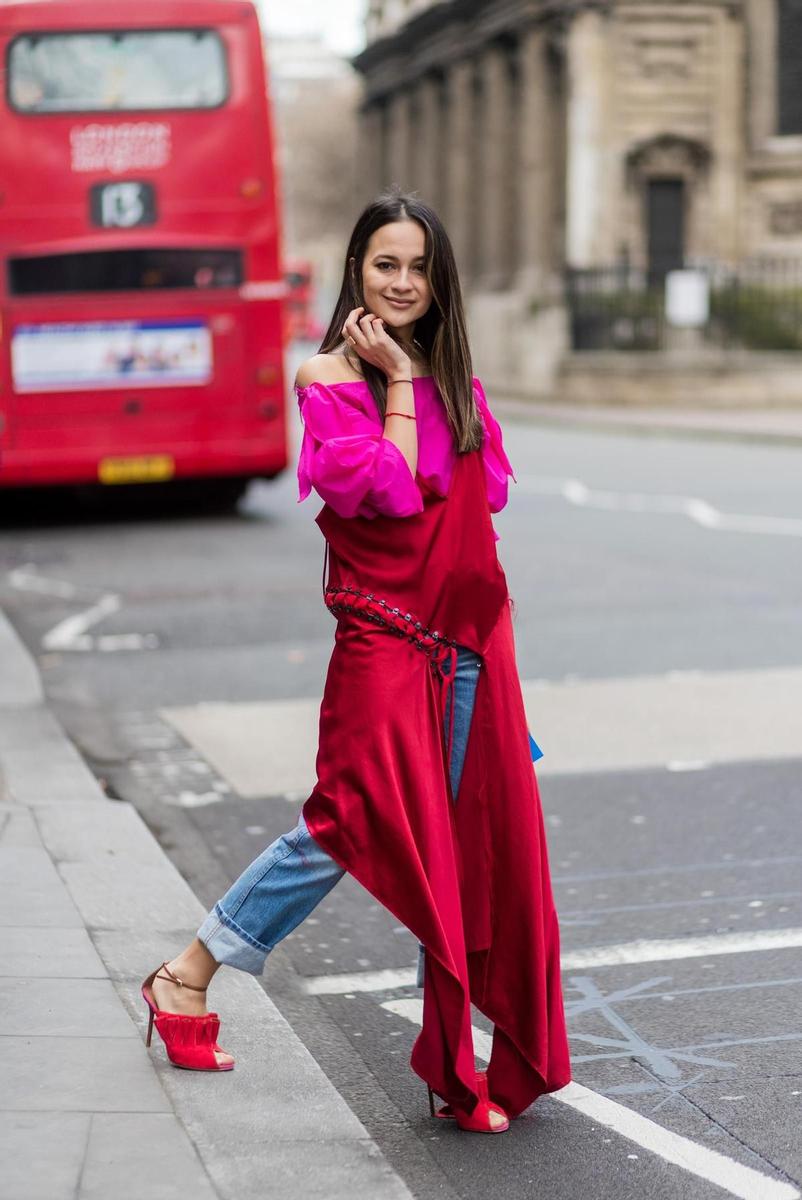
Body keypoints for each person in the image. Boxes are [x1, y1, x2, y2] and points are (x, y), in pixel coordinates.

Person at [142, 188, 571, 1135]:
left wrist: (422, 382)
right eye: (386, 264)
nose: (405, 281)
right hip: (383, 636)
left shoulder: (452, 376)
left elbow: (486, 485)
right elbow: (387, 488)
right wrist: (407, 390)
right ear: (356, 272)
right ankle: (186, 974)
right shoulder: (323, 374)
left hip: (467, 642)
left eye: (419, 266)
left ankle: (454, 1066)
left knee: (463, 839)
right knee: (350, 820)